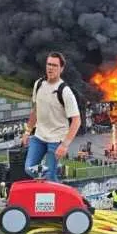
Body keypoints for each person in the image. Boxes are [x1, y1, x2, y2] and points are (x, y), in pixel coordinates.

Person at [22, 52, 81, 183]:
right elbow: (35, 110)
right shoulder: (38, 84)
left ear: (61, 69)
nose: (50, 68)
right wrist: (27, 131)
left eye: (54, 65)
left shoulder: (65, 91)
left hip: (56, 139)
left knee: (50, 176)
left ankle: (55, 197)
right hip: (39, 136)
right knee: (28, 168)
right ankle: (46, 187)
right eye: (49, 64)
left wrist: (65, 145)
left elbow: (77, 120)